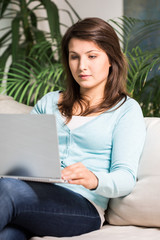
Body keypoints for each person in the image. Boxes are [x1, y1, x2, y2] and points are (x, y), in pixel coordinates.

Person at [0, 17, 146, 240]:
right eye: (74, 57)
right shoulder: (49, 102)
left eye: (92, 56)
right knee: (8, 233)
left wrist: (94, 179)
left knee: (8, 189)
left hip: (83, 207)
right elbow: (20, 160)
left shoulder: (126, 110)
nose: (82, 66)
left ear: (111, 59)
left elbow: (125, 177)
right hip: (30, 198)